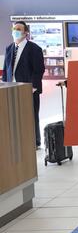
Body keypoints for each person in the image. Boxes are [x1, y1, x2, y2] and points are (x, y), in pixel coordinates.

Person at [2, 21, 45, 150]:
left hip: (29, 89)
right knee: (13, 116)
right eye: (14, 28)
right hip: (12, 88)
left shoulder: (34, 49)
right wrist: (4, 84)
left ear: (26, 32)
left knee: (31, 116)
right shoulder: (9, 48)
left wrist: (33, 87)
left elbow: (39, 69)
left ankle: (35, 141)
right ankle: (17, 140)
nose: (15, 31)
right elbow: (6, 69)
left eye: (19, 29)